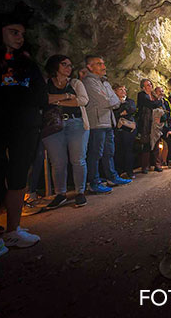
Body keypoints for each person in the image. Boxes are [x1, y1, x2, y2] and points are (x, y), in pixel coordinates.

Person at [0, 7, 47, 259]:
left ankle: (12, 229)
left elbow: (40, 96)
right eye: (13, 32)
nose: (19, 37)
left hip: (23, 128)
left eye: (21, 33)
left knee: (18, 176)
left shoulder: (28, 65)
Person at [42, 54, 90, 209]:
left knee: (78, 159)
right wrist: (66, 96)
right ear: (55, 66)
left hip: (76, 123)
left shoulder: (75, 83)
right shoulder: (45, 83)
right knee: (57, 162)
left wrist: (54, 99)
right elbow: (42, 99)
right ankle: (60, 194)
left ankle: (80, 192)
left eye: (70, 65)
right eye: (64, 64)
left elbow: (83, 100)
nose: (69, 68)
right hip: (52, 125)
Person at [82, 55, 131, 192]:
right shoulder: (88, 82)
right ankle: (94, 182)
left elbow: (115, 101)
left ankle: (111, 176)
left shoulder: (105, 82)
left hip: (108, 122)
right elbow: (108, 102)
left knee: (109, 152)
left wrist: (112, 100)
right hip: (96, 123)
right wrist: (112, 100)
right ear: (90, 67)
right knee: (95, 154)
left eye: (103, 63)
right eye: (98, 64)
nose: (103, 66)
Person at [137, 79, 163, 174]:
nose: (150, 86)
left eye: (151, 84)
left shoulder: (154, 96)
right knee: (146, 144)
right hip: (145, 123)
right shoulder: (142, 95)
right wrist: (159, 101)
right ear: (143, 87)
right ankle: (145, 166)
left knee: (156, 144)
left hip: (155, 124)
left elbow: (161, 108)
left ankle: (157, 164)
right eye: (148, 85)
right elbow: (150, 104)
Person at [112, 84, 137, 179]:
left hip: (128, 130)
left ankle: (129, 171)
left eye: (124, 89)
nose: (123, 91)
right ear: (114, 91)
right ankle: (118, 171)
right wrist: (122, 111)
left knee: (128, 150)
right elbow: (115, 113)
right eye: (120, 90)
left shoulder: (130, 101)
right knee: (118, 151)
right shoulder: (112, 102)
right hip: (117, 130)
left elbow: (132, 109)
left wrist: (123, 105)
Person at [155, 87, 171, 169]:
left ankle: (170, 160)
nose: (161, 93)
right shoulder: (153, 100)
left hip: (163, 126)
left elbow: (169, 116)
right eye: (159, 91)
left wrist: (169, 129)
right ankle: (155, 163)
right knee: (155, 144)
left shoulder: (165, 102)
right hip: (154, 126)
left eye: (162, 91)